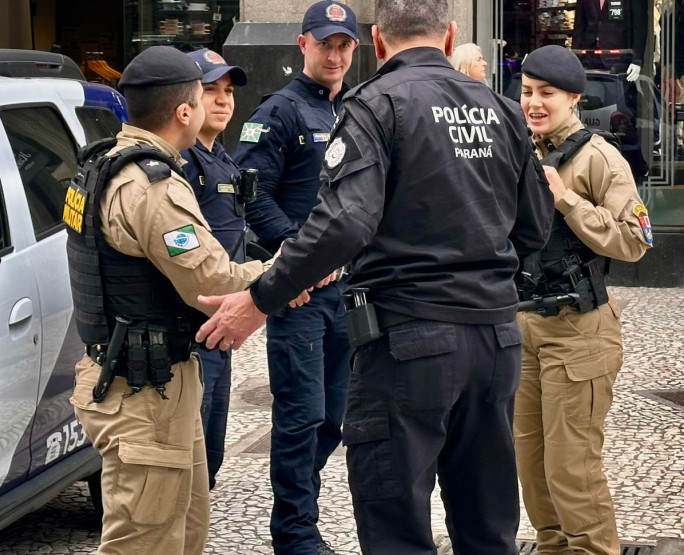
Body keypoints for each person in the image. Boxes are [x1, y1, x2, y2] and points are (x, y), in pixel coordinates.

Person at [196, 1, 554, 553]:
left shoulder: (376, 103)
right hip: (495, 341)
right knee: (488, 525)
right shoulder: (501, 109)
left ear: (378, 42)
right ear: (450, 33)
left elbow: (345, 221)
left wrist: (261, 297)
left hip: (409, 342)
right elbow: (534, 228)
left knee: (396, 528)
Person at [64, 45, 274, 555]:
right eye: (204, 96)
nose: (211, 105)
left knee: (185, 530)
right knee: (146, 542)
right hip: (143, 393)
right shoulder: (152, 186)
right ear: (185, 112)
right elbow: (213, 285)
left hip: (149, 380)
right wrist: (279, 271)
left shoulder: (105, 163)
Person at [514, 44, 653, 555]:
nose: (534, 102)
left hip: (579, 331)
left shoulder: (600, 157)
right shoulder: (520, 149)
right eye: (527, 92)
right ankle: (553, 547)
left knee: (572, 467)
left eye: (546, 93)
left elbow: (636, 241)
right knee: (530, 463)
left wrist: (567, 200)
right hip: (524, 325)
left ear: (573, 97)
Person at [232, 2, 358, 553]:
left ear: (355, 50)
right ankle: (295, 532)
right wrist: (296, 259)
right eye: (324, 44)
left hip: (349, 295)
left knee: (335, 417)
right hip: (301, 294)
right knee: (301, 417)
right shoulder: (278, 112)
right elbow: (251, 195)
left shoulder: (356, 110)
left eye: (344, 46)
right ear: (303, 45)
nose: (334, 55)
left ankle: (300, 514)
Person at [179, 48, 250, 492]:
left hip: (220, 322)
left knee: (211, 451)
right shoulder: (182, 164)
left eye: (227, 92)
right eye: (211, 91)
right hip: (194, 326)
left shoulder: (219, 156)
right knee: (190, 454)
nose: (223, 101)